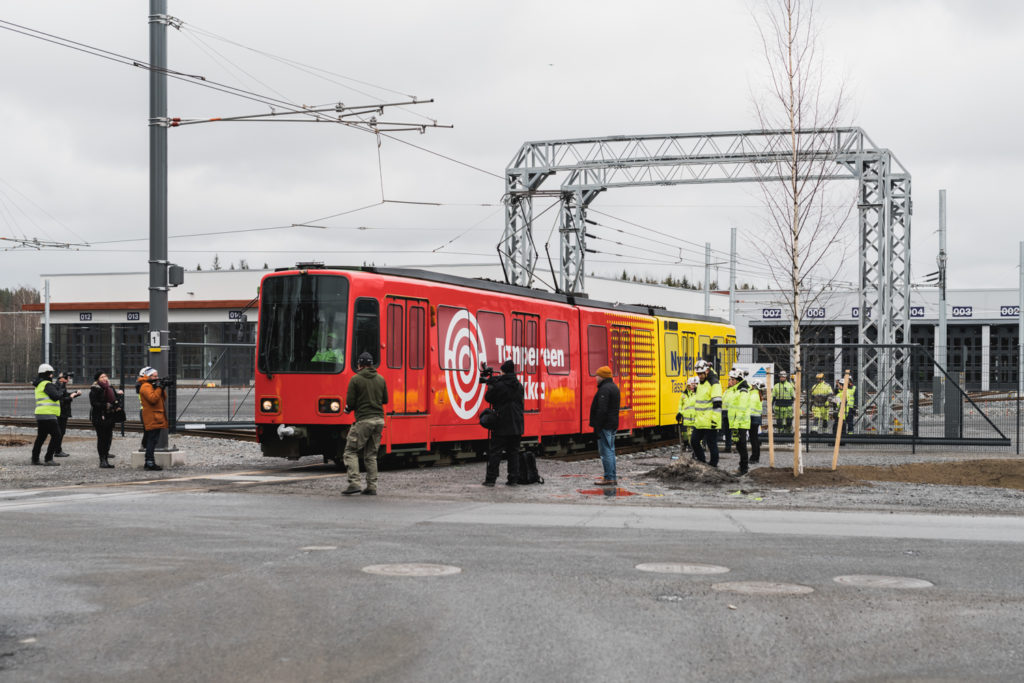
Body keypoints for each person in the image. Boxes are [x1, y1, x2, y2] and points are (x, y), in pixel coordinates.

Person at [341, 351, 388, 495]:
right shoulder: (381, 379)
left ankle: (354, 483)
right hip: (379, 420)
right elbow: (385, 400)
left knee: (350, 451)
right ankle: (372, 486)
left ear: (360, 364)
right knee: (371, 455)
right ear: (372, 364)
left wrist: (347, 409)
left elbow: (350, 402)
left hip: (364, 421)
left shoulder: (356, 379)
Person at [481, 359, 524, 487]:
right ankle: (513, 479)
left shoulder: (500, 385)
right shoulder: (519, 386)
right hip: (517, 424)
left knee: (495, 452)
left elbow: (488, 397)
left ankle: (491, 479)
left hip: (502, 423)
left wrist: (491, 384)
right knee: (513, 453)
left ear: (504, 371)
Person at [589, 366, 620, 485]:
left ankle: (609, 477)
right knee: (610, 451)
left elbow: (602, 410)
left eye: (597, 375)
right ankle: (611, 476)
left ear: (602, 377)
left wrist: (597, 426)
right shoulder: (614, 387)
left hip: (605, 425)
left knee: (606, 452)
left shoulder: (604, 390)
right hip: (612, 424)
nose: (595, 378)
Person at [689, 359, 723, 468]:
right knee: (694, 441)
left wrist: (714, 420)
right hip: (700, 421)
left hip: (710, 421)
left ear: (707, 371)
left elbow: (717, 404)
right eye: (698, 374)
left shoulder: (714, 383)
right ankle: (702, 462)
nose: (699, 376)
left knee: (711, 444)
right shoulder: (701, 383)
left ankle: (713, 465)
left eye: (701, 374)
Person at [89, 371, 124, 468]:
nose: (104, 378)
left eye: (105, 376)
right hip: (99, 417)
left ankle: (106, 458)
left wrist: (118, 405)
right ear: (97, 379)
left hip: (109, 416)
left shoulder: (110, 388)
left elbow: (115, 399)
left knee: (108, 438)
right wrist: (106, 405)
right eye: (102, 377)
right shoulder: (95, 389)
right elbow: (94, 403)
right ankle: (102, 460)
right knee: (102, 438)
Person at [31, 363, 62, 466]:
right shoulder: (46, 384)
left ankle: (35, 459)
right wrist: (61, 391)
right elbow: (55, 396)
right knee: (57, 435)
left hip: (41, 413)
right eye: (51, 373)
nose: (52, 376)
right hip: (48, 414)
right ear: (47, 374)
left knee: (41, 437)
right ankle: (48, 458)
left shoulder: (38, 384)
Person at [136, 366, 166, 471]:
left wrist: (161, 387)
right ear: (147, 376)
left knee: (152, 439)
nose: (157, 378)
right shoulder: (145, 386)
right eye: (154, 376)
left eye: (157, 376)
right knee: (152, 440)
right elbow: (153, 399)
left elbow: (162, 398)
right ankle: (150, 462)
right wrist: (159, 388)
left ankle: (148, 462)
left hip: (154, 415)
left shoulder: (150, 385)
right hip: (150, 415)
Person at [726, 370, 751, 475]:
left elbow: (741, 410)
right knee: (739, 446)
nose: (730, 381)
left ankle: (744, 468)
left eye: (732, 379)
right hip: (737, 423)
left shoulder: (743, 391)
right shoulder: (736, 390)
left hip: (741, 423)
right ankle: (742, 467)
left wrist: (735, 426)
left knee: (741, 446)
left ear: (737, 380)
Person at [53, 371, 82, 457]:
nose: (69, 379)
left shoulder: (60, 385)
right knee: (60, 432)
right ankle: (57, 451)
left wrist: (75, 393)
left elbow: (65, 395)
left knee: (61, 432)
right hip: (61, 412)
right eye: (68, 378)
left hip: (62, 412)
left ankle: (57, 450)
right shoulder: (59, 385)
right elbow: (61, 399)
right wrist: (70, 397)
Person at [674, 376, 699, 459]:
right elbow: (681, 405)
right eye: (689, 386)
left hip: (695, 419)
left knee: (696, 437)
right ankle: (693, 451)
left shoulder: (697, 394)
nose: (690, 387)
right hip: (687, 419)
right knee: (688, 435)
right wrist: (679, 413)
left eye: (691, 385)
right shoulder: (684, 395)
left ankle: (697, 453)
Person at [748, 380, 764, 464]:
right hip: (756, 419)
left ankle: (754, 457)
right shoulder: (758, 394)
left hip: (752, 419)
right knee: (755, 438)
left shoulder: (753, 395)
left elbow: (750, 407)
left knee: (753, 439)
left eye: (752, 385)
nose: (751, 386)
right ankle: (755, 456)